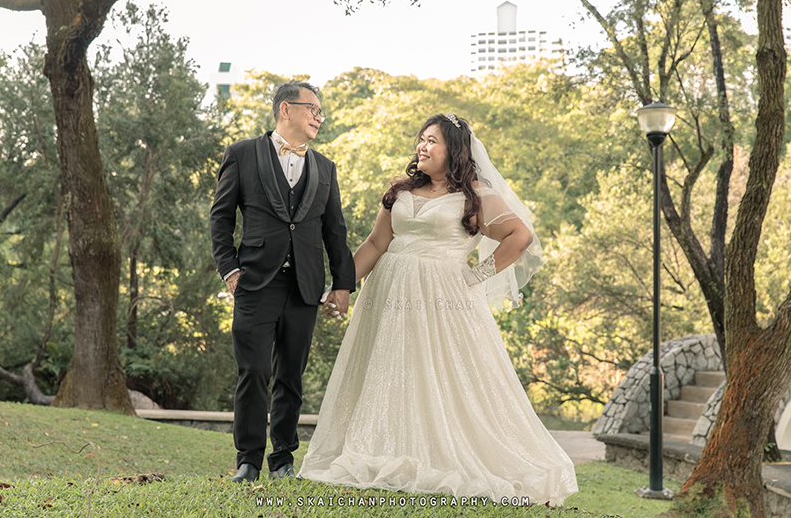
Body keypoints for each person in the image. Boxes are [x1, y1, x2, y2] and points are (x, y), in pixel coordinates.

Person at [299, 113, 578, 505]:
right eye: (421, 139)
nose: (422, 147)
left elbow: (521, 236)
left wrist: (476, 276)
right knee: (389, 369)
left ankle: (445, 453)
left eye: (432, 141)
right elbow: (376, 245)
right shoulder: (400, 189)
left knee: (441, 375)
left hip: (443, 300)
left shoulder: (475, 195)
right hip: (387, 296)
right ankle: (384, 449)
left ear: (455, 151)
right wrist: (342, 288)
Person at [210, 80, 355, 483]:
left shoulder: (325, 167)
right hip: (255, 282)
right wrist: (230, 269)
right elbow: (220, 218)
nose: (318, 118)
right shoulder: (242, 154)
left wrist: (343, 283)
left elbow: (335, 230)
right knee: (253, 371)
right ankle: (249, 460)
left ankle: (284, 459)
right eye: (313, 109)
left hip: (305, 286)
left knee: (291, 375)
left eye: (320, 112)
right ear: (285, 109)